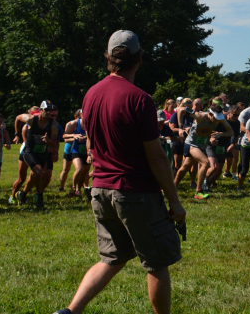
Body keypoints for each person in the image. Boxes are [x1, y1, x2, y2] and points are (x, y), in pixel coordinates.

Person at [56, 30, 184, 314]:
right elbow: (156, 157)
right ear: (139, 59)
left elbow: (91, 142)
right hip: (134, 191)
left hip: (100, 189)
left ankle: (69, 312)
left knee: (111, 258)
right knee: (156, 261)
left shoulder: (90, 94)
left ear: (108, 58)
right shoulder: (140, 100)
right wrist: (174, 201)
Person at [17, 101, 60, 209]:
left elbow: (53, 143)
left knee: (33, 176)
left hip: (42, 152)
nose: (48, 113)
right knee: (39, 171)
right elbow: (18, 118)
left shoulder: (54, 124)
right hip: (29, 152)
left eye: (50, 110)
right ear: (40, 110)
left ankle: (22, 194)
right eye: (46, 110)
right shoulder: (31, 119)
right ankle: (40, 197)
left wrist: (48, 140)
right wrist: (17, 134)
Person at [59, 109, 89, 196]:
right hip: (75, 150)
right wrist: (74, 136)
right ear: (80, 114)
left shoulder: (92, 123)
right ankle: (71, 187)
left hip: (87, 150)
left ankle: (78, 190)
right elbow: (64, 136)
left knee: (84, 173)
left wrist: (85, 137)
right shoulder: (73, 124)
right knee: (79, 169)